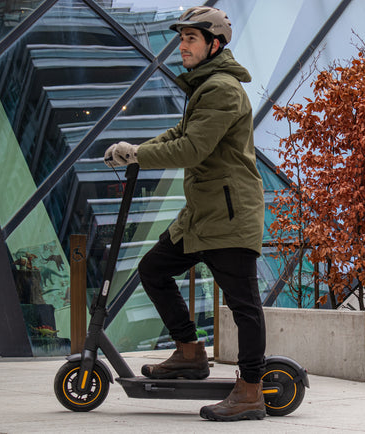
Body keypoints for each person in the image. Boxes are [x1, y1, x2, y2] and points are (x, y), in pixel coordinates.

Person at [104, 6, 267, 422]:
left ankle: (250, 390)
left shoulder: (222, 90)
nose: (182, 46)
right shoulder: (205, 88)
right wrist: (134, 149)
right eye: (181, 39)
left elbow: (192, 148)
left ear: (214, 45)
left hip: (229, 216)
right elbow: (179, 135)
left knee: (244, 305)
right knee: (153, 270)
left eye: (191, 39)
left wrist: (139, 154)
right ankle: (190, 352)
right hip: (202, 215)